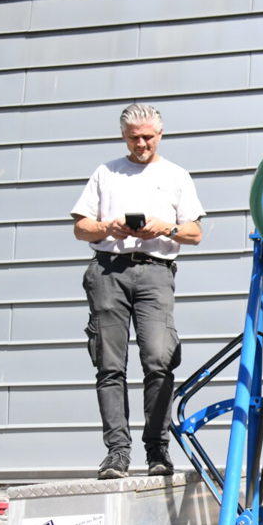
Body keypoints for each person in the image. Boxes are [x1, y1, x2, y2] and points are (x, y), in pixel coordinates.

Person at [71, 103, 205, 479]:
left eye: (148, 137)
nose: (141, 144)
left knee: (159, 359)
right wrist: (107, 227)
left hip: (155, 272)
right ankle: (117, 453)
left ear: (160, 135)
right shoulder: (106, 172)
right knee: (109, 364)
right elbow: (80, 228)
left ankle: (157, 451)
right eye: (134, 138)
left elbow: (195, 233)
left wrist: (166, 228)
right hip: (108, 269)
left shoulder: (177, 175)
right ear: (123, 137)